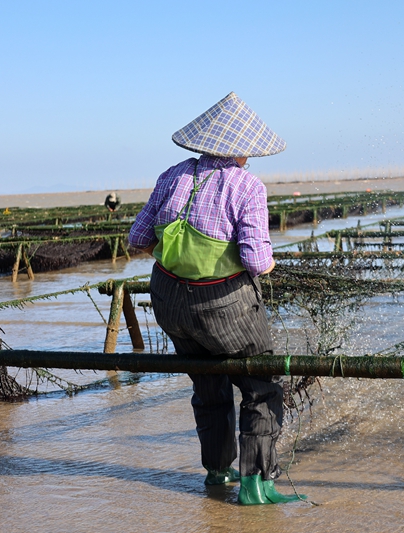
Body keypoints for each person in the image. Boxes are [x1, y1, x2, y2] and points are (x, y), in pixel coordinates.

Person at [128, 92, 304, 505]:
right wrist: (269, 265)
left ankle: (216, 473)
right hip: (225, 307)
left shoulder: (172, 175)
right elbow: (255, 260)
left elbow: (138, 239)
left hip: (169, 301)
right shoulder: (247, 186)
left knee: (208, 383)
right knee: (261, 386)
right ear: (242, 151)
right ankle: (255, 486)